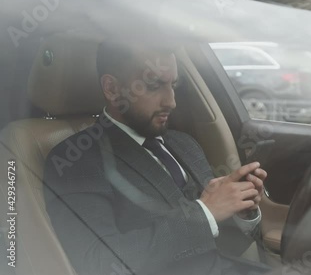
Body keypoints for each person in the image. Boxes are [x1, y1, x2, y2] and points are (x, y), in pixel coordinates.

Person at [43, 39, 270, 275]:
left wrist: (241, 212)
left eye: (173, 85)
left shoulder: (185, 144)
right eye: (154, 85)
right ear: (112, 89)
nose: (171, 101)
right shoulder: (75, 161)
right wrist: (204, 214)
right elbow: (99, 264)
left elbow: (216, 246)